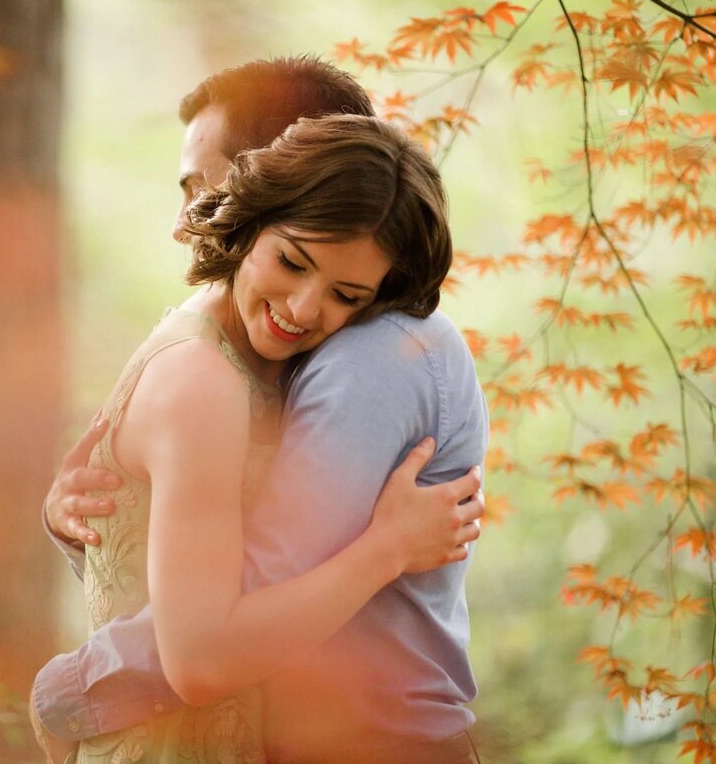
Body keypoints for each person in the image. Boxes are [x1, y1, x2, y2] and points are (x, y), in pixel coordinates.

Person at [35, 59, 488, 763]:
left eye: (346, 293)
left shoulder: (365, 355)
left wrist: (73, 687)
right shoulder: (218, 365)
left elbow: (239, 597)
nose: (193, 221)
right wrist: (96, 516)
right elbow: (204, 612)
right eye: (293, 262)